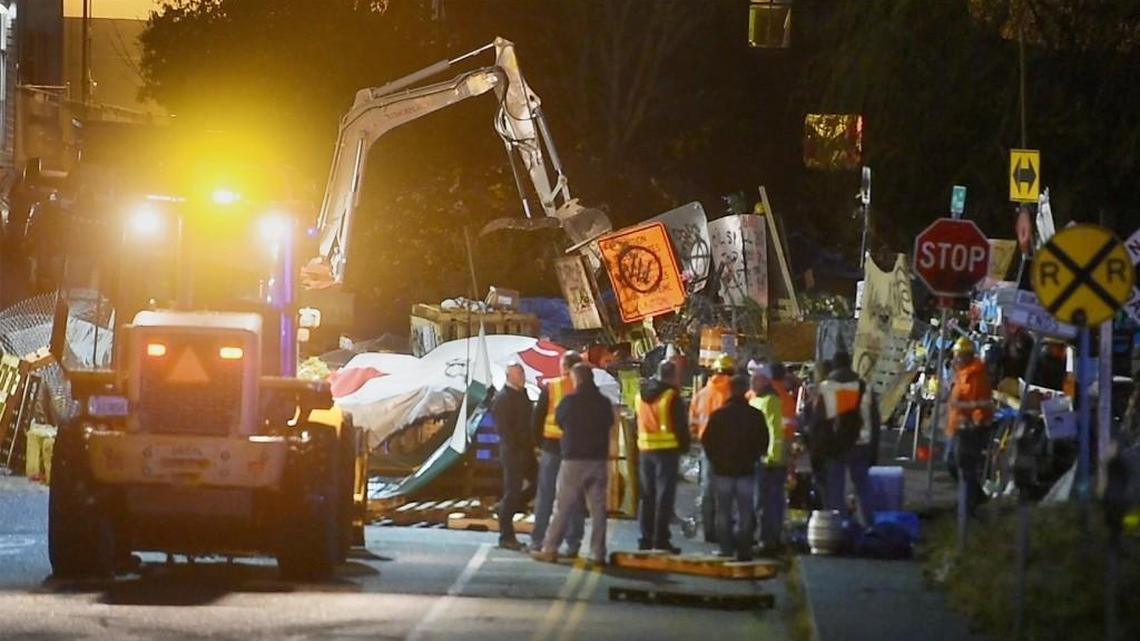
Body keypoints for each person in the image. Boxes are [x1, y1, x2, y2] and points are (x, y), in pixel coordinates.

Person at [532, 363, 615, 565]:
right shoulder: (604, 402)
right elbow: (610, 423)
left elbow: (560, 421)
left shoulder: (569, 402)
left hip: (574, 460)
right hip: (598, 460)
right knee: (598, 509)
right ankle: (597, 553)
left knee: (562, 506)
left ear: (576, 379)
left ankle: (550, 548)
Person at [703, 375, 767, 560]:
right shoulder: (755, 416)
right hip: (746, 471)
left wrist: (716, 462)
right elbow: (764, 442)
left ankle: (726, 549)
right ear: (746, 390)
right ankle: (744, 550)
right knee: (745, 512)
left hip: (723, 472)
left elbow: (708, 442)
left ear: (730, 390)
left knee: (723, 512)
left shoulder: (719, 415)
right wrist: (753, 458)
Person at [529, 351, 586, 554]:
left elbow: (537, 419)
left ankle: (538, 540)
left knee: (546, 495)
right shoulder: (585, 389)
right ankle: (573, 543)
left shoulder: (551, 387)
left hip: (552, 448)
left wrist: (539, 444)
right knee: (575, 497)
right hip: (576, 451)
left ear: (564, 367)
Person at [813, 350, 880, 523]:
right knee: (863, 487)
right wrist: (874, 450)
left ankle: (839, 525)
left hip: (835, 445)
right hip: (861, 442)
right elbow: (875, 421)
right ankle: (868, 524)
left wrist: (818, 448)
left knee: (835, 488)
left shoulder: (825, 387)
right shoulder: (865, 387)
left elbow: (818, 420)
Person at [636, 360, 690, 552]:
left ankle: (645, 538)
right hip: (667, 452)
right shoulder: (671, 396)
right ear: (673, 376)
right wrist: (684, 447)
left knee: (647, 496)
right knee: (664, 497)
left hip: (645, 450)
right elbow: (680, 426)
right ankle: (661, 540)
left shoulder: (640, 395)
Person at [945, 337, 993, 516]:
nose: (955, 358)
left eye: (958, 355)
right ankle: (976, 496)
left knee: (964, 467)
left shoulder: (975, 376)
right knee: (951, 462)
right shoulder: (963, 373)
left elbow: (979, 404)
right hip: (956, 426)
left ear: (967, 355)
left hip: (967, 430)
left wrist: (976, 424)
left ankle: (968, 506)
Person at [689, 353, 735, 542]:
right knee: (728, 491)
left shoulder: (701, 395)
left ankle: (708, 530)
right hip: (730, 449)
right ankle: (725, 531)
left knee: (707, 489)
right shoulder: (735, 393)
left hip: (707, 448)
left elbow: (692, 424)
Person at [492, 362, 533, 550]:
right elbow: (504, 430)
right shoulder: (503, 398)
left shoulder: (522, 395)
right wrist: (517, 448)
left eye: (522, 373)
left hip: (527, 451)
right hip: (513, 453)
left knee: (539, 483)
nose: (522, 377)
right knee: (512, 492)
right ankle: (506, 536)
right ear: (509, 376)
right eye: (518, 374)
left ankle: (505, 507)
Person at [751, 365, 787, 552]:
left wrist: (772, 456)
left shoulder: (770, 400)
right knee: (764, 501)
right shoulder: (757, 399)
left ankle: (768, 540)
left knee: (765, 502)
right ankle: (766, 538)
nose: (752, 381)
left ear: (765, 380)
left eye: (756, 378)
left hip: (767, 461)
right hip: (759, 458)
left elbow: (774, 429)